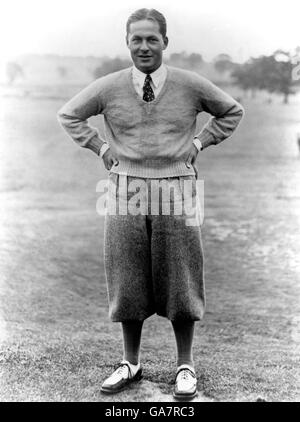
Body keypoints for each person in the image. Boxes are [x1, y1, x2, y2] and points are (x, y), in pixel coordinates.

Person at [57, 8, 244, 400]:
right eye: (136, 39)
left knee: (181, 276)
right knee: (127, 275)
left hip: (177, 187)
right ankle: (131, 362)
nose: (144, 46)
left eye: (151, 39)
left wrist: (199, 143)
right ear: (127, 43)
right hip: (124, 188)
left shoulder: (190, 84)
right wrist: (100, 146)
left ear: (165, 42)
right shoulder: (109, 86)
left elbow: (231, 110)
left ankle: (185, 366)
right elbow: (70, 114)